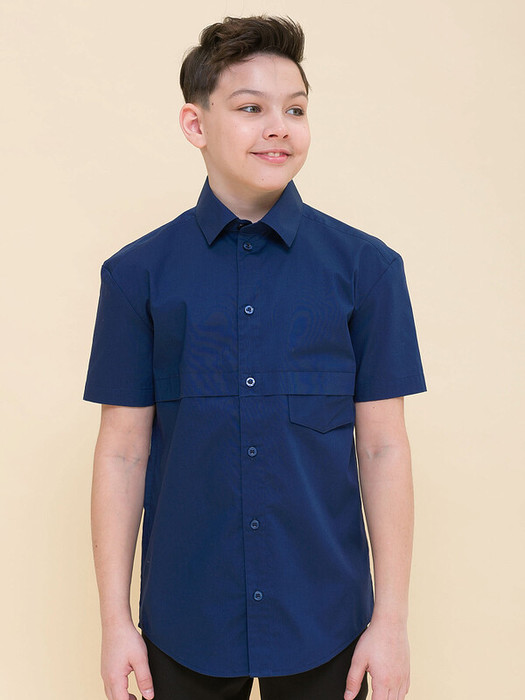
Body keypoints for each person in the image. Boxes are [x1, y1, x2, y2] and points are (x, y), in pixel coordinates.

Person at [84, 15, 426, 700]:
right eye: (251, 109)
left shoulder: (367, 269)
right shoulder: (135, 276)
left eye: (295, 110)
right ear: (196, 124)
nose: (279, 128)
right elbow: (122, 452)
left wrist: (389, 622)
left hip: (329, 618)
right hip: (185, 618)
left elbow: (383, 447)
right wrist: (115, 622)